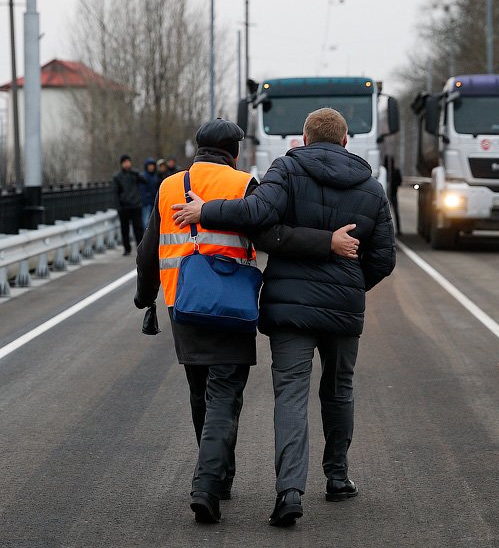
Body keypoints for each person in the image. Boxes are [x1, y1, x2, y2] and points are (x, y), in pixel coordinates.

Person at [173, 108, 396, 527]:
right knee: (339, 389)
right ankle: (337, 477)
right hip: (344, 308)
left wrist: (207, 212)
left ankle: (289, 493)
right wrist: (348, 286)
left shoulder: (287, 170)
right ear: (346, 141)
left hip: (289, 307)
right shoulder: (371, 187)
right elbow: (383, 258)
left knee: (291, 395)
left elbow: (256, 217)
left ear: (304, 139)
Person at [133, 118, 360, 524]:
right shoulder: (243, 186)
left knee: (199, 391)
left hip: (182, 303)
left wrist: (145, 299)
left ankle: (219, 479)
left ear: (198, 148)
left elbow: (148, 252)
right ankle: (207, 484)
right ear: (234, 153)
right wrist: (327, 243)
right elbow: (273, 238)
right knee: (224, 394)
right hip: (230, 306)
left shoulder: (169, 186)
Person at [113, 154, 145, 256]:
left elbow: (145, 181)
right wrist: (118, 207)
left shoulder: (134, 174)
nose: (127, 164)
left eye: (128, 162)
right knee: (124, 229)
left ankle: (140, 248)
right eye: (125, 162)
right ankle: (127, 248)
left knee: (138, 229)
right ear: (122, 164)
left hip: (136, 205)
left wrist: (137, 174)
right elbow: (115, 193)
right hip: (124, 207)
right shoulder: (117, 177)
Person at [140, 158, 161, 230]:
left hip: (155, 202)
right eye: (150, 166)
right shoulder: (144, 177)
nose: (151, 167)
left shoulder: (156, 177)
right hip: (147, 203)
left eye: (152, 166)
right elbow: (142, 190)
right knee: (146, 222)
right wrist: (146, 199)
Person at [384, 155, 403, 236]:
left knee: (395, 212)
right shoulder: (384, 171)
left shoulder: (395, 171)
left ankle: (398, 230)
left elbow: (399, 181)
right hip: (386, 195)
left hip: (393, 194)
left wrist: (393, 185)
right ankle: (386, 229)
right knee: (385, 214)